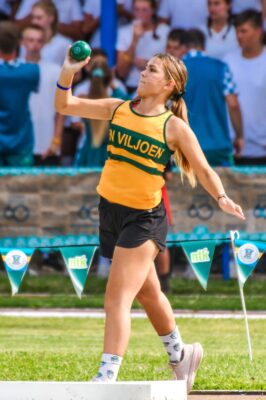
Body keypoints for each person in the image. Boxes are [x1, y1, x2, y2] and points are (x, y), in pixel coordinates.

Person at [55, 49, 245, 393]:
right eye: (144, 68)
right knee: (149, 293)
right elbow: (65, 106)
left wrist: (221, 197)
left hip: (145, 219)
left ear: (168, 84)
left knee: (116, 299)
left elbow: (203, 169)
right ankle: (181, 354)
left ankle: (106, 377)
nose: (143, 73)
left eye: (152, 70)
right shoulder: (118, 108)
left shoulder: (173, 127)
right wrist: (67, 71)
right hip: (111, 211)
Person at [181, 29, 243, 166]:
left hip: (185, 148)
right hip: (218, 147)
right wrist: (239, 136)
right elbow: (233, 105)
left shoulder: (176, 70)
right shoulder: (220, 67)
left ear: (183, 47)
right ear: (203, 47)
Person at [225, 9, 266, 165]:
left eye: (244, 31)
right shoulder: (228, 61)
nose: (238, 35)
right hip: (234, 148)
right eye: (237, 31)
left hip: (262, 148)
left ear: (258, 31)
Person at [21, 24, 64, 165]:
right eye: (31, 40)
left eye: (39, 40)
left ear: (44, 43)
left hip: (47, 143)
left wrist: (56, 140)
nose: (35, 44)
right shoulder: (13, 69)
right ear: (22, 41)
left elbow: (61, 109)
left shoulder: (55, 70)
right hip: (19, 145)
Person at [0, 21, 40, 167]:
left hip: (20, 142)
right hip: (22, 141)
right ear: (19, 43)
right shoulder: (31, 71)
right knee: (23, 190)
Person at [116, 0, 170, 93]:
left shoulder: (165, 31)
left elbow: (171, 66)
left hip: (157, 86)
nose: (140, 14)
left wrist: (149, 65)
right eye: (137, 9)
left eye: (145, 10)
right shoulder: (124, 32)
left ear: (153, 11)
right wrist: (135, 40)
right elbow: (121, 72)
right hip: (131, 86)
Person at [15, 0, 83, 40]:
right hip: (31, 43)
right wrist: (36, 15)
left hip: (58, 45)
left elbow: (79, 33)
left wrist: (50, 22)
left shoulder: (72, 1)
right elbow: (16, 27)